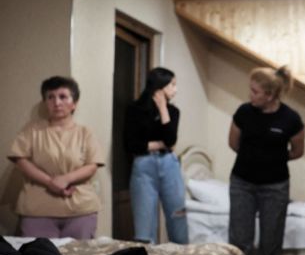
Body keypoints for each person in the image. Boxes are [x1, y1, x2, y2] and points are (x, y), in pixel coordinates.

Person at [228, 65, 305, 255]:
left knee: (271, 241)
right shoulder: (243, 112)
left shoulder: (291, 119)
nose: (250, 95)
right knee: (240, 240)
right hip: (242, 183)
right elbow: (233, 143)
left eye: (255, 91)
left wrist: (271, 160)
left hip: (275, 186)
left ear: (271, 95)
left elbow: (297, 151)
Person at [8, 76, 104, 239]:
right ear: (45, 102)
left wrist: (66, 179)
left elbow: (93, 164)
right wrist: (50, 182)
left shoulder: (84, 132)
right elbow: (19, 158)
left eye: (63, 97)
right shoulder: (32, 130)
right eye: (50, 97)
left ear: (74, 103)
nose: (56, 102)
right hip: (37, 208)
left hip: (80, 207)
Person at [124, 67, 188, 244]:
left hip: (169, 164)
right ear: (160, 86)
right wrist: (159, 144)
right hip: (143, 167)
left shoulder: (173, 112)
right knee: (144, 226)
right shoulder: (134, 109)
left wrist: (162, 107)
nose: (176, 89)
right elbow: (131, 144)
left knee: (178, 216)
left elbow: (169, 139)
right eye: (172, 85)